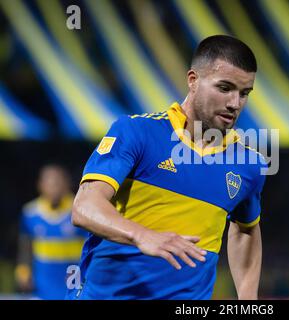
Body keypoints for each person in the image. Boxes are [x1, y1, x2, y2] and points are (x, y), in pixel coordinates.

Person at [67, 35, 267, 300]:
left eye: (244, 93)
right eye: (225, 88)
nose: (235, 103)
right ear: (193, 81)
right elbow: (85, 207)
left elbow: (245, 230)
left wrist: (247, 298)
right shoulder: (137, 132)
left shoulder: (249, 164)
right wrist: (142, 235)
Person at [15, 164, 87, 300]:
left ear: (67, 184)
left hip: (73, 286)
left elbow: (90, 246)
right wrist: (23, 271)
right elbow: (25, 246)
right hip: (42, 287)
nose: (53, 188)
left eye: (57, 183)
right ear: (40, 185)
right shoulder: (30, 213)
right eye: (49, 183)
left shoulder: (80, 210)